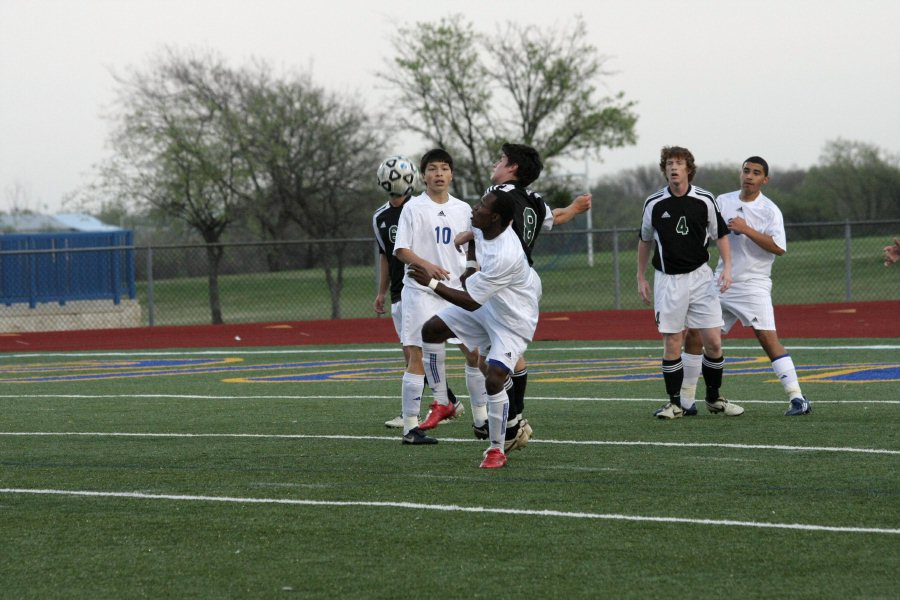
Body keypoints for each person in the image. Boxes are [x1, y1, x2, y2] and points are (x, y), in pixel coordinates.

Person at [453, 142, 591, 450]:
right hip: (524, 284)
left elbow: (496, 229)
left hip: (501, 283)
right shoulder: (534, 199)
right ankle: (515, 420)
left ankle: (512, 422)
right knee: (508, 354)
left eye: (500, 159)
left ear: (512, 167)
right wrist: (576, 207)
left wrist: (471, 234)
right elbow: (556, 216)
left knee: (490, 355)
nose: (495, 164)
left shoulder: (499, 197)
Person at [410, 185, 542, 468]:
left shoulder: (505, 255)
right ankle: (444, 401)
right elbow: (473, 250)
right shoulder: (483, 226)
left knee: (493, 378)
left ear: (495, 218)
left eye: (482, 206)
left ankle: (497, 450)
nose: (475, 208)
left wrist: (432, 283)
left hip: (513, 318)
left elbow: (469, 299)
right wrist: (469, 246)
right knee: (432, 329)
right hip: (489, 303)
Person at [676, 157, 811, 417]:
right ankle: (686, 401)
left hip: (753, 284)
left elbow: (779, 248)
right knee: (694, 334)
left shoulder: (769, 210)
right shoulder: (722, 202)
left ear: (764, 180)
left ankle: (797, 398)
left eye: (756, 173)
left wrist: (746, 229)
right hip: (720, 281)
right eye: (746, 170)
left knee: (768, 340)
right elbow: (703, 230)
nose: (749, 176)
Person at [637, 145, 743, 419]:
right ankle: (675, 403)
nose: (673, 168)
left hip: (701, 278)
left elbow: (720, 234)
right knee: (673, 341)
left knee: (714, 342)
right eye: (669, 163)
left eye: (679, 163)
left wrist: (727, 268)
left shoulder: (705, 199)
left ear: (688, 169)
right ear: (665, 170)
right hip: (668, 280)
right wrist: (641, 277)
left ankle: (714, 398)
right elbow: (645, 240)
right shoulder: (654, 203)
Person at [392, 148, 482, 444]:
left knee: (474, 353)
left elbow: (474, 247)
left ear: (452, 174)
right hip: (420, 291)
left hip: (455, 292)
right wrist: (427, 266)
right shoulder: (413, 208)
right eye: (432, 169)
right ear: (423, 175)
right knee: (416, 355)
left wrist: (473, 271)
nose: (439, 174)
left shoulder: (464, 209)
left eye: (444, 168)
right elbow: (401, 249)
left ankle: (481, 420)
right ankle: (410, 427)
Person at [372, 155, 462, 429]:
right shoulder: (380, 217)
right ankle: (446, 402)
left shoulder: (420, 207)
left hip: (428, 288)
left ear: (411, 178)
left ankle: (424, 411)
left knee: (421, 353)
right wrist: (381, 292)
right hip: (401, 293)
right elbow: (386, 255)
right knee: (411, 354)